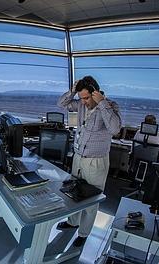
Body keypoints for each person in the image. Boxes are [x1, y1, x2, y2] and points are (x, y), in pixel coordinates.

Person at [56, 76, 122, 247]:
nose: (83, 102)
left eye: (86, 98)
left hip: (96, 162)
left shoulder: (111, 106)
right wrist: (72, 92)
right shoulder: (81, 105)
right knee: (73, 192)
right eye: (81, 98)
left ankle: (84, 233)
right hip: (78, 157)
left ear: (96, 93)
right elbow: (61, 104)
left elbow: (115, 129)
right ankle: (72, 222)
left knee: (91, 200)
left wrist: (102, 103)